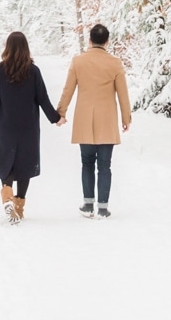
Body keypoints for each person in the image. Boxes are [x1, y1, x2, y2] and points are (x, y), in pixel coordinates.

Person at [0, 31, 62, 224]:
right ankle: (18, 207)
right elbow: (42, 98)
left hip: (4, 126)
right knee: (24, 165)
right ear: (26, 48)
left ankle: (7, 196)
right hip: (28, 127)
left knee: (6, 161)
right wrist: (56, 118)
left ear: (7, 48)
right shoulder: (33, 71)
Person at [55, 23, 130, 218]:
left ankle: (88, 205)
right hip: (107, 120)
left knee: (87, 162)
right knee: (105, 165)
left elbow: (68, 90)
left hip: (84, 119)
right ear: (107, 41)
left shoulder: (78, 62)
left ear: (90, 40)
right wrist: (126, 117)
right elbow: (123, 94)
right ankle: (103, 208)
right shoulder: (115, 63)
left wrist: (60, 112)